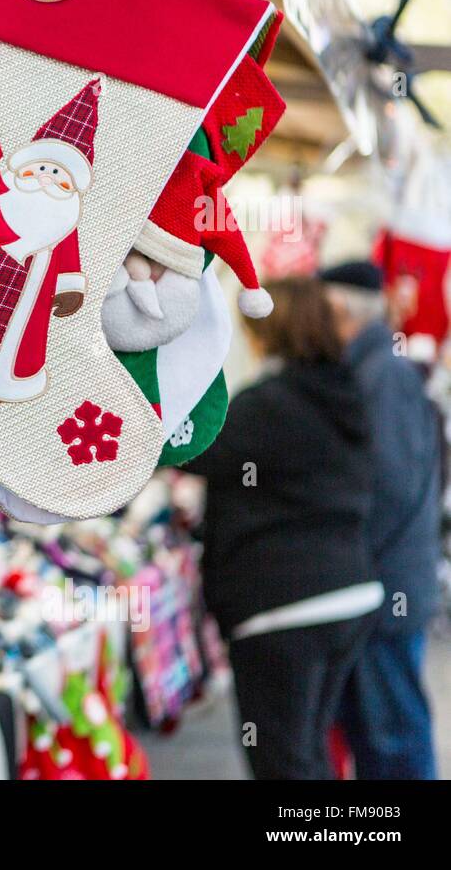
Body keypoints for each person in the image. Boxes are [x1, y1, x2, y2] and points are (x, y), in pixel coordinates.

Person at [186, 277, 382, 780]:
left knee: (283, 762)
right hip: (346, 594)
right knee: (307, 752)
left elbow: (191, 450)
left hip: (283, 605)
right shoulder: (342, 395)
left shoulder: (271, 405)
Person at [321, 261, 442, 780]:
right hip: (384, 582)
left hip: (383, 588)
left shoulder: (382, 375)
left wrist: (339, 554)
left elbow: (389, 486)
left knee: (392, 738)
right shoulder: (375, 368)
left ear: (340, 311)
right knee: (381, 735)